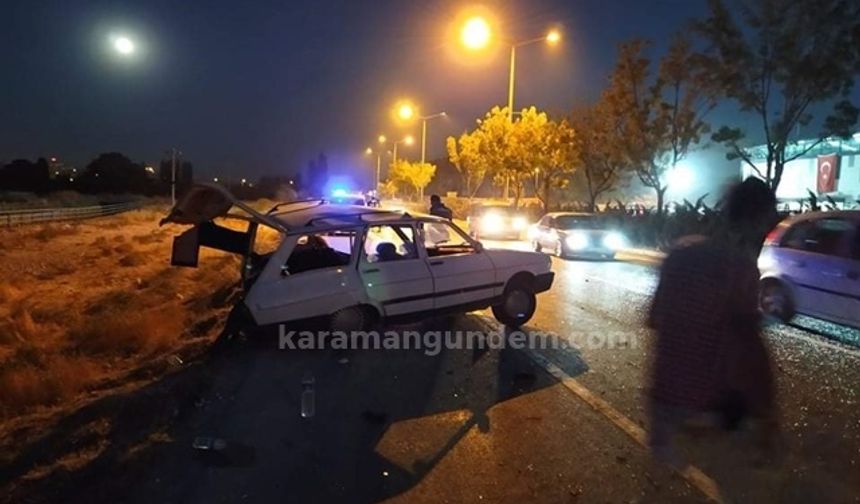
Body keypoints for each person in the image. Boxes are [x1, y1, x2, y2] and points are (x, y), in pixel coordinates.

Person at [647, 177, 780, 467]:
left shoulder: (679, 256)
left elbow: (655, 318)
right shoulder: (740, 268)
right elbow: (749, 346)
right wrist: (767, 413)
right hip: (712, 412)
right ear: (758, 220)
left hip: (665, 405)